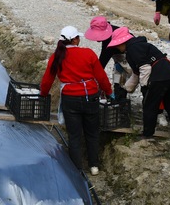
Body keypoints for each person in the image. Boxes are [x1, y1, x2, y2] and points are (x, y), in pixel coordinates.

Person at [40, 26, 114, 176]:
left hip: (70, 99)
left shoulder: (57, 56)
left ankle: (76, 168)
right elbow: (101, 77)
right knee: (92, 133)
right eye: (78, 37)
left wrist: (43, 94)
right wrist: (109, 92)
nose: (80, 40)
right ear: (74, 39)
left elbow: (48, 79)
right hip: (91, 98)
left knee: (74, 135)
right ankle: (94, 166)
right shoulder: (88, 53)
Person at [107, 27, 170, 142]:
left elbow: (145, 68)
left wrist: (145, 87)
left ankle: (147, 135)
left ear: (122, 42)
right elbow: (136, 73)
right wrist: (127, 88)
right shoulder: (140, 45)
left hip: (159, 76)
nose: (117, 48)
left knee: (149, 105)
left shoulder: (132, 49)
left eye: (117, 45)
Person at [84, 16, 131, 100]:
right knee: (118, 79)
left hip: (130, 59)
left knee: (122, 82)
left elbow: (101, 63)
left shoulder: (111, 40)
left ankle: (121, 103)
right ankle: (119, 100)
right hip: (120, 60)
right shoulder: (110, 32)